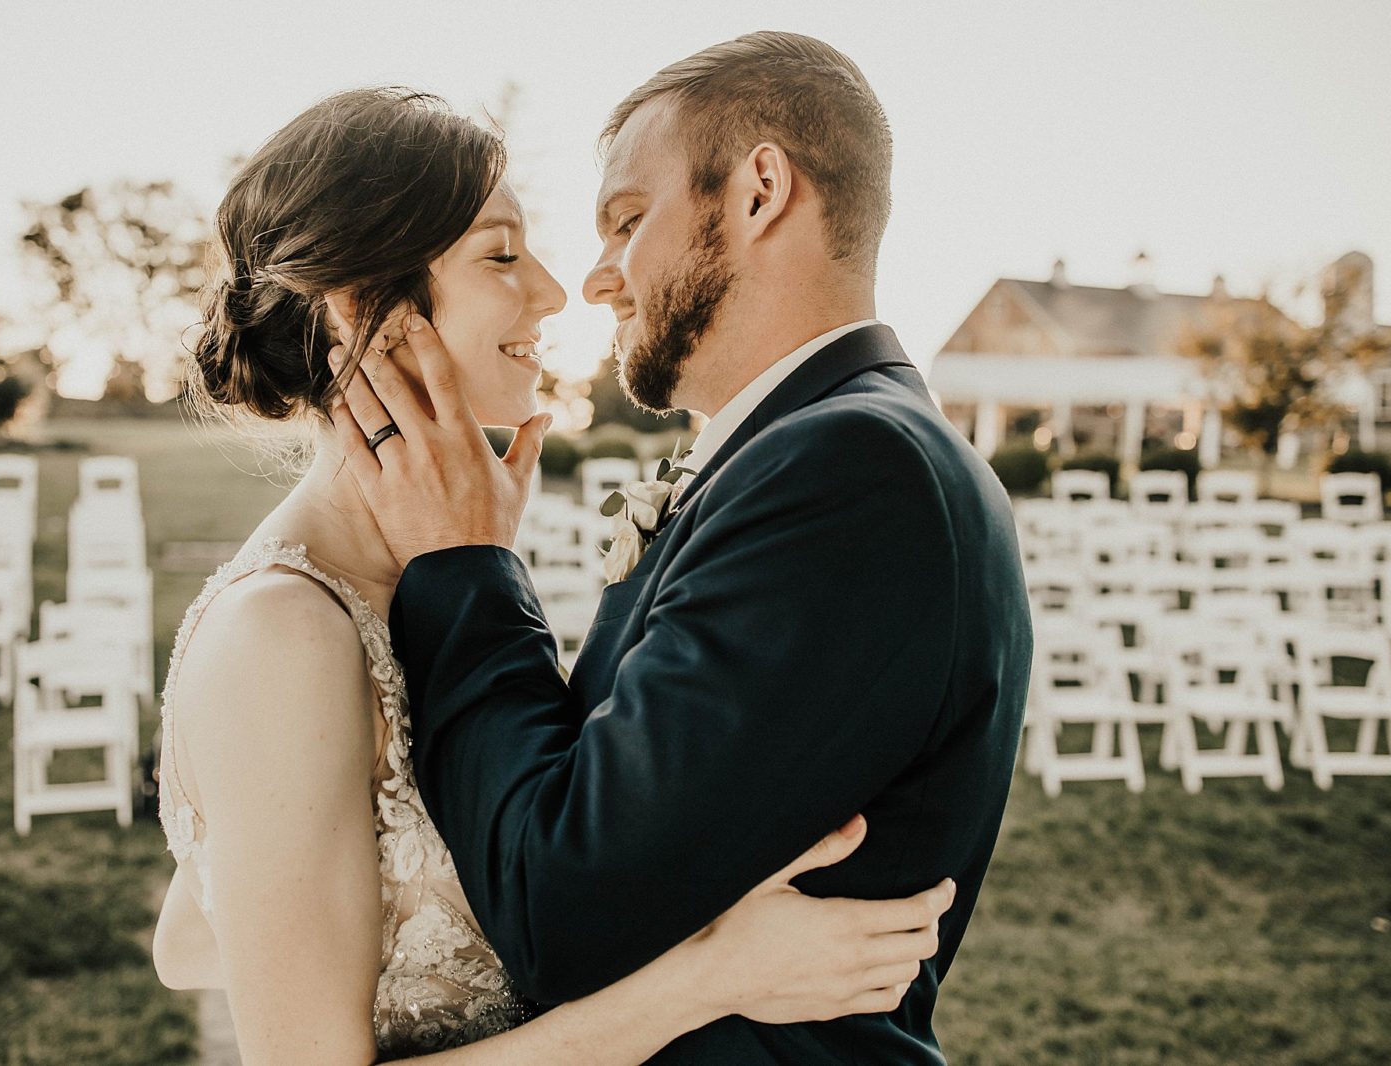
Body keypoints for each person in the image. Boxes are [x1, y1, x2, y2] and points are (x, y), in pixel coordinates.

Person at [150, 86, 956, 1064]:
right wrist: (707, 976)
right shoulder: (283, 628)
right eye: (501, 254)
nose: (553, 289)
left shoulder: (404, 589)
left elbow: (195, 935)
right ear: (364, 310)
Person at [330, 32, 1033, 1063]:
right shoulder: (813, 449)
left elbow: (559, 904)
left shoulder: (851, 469)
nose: (599, 280)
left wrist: (466, 567)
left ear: (758, 191)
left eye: (625, 221)